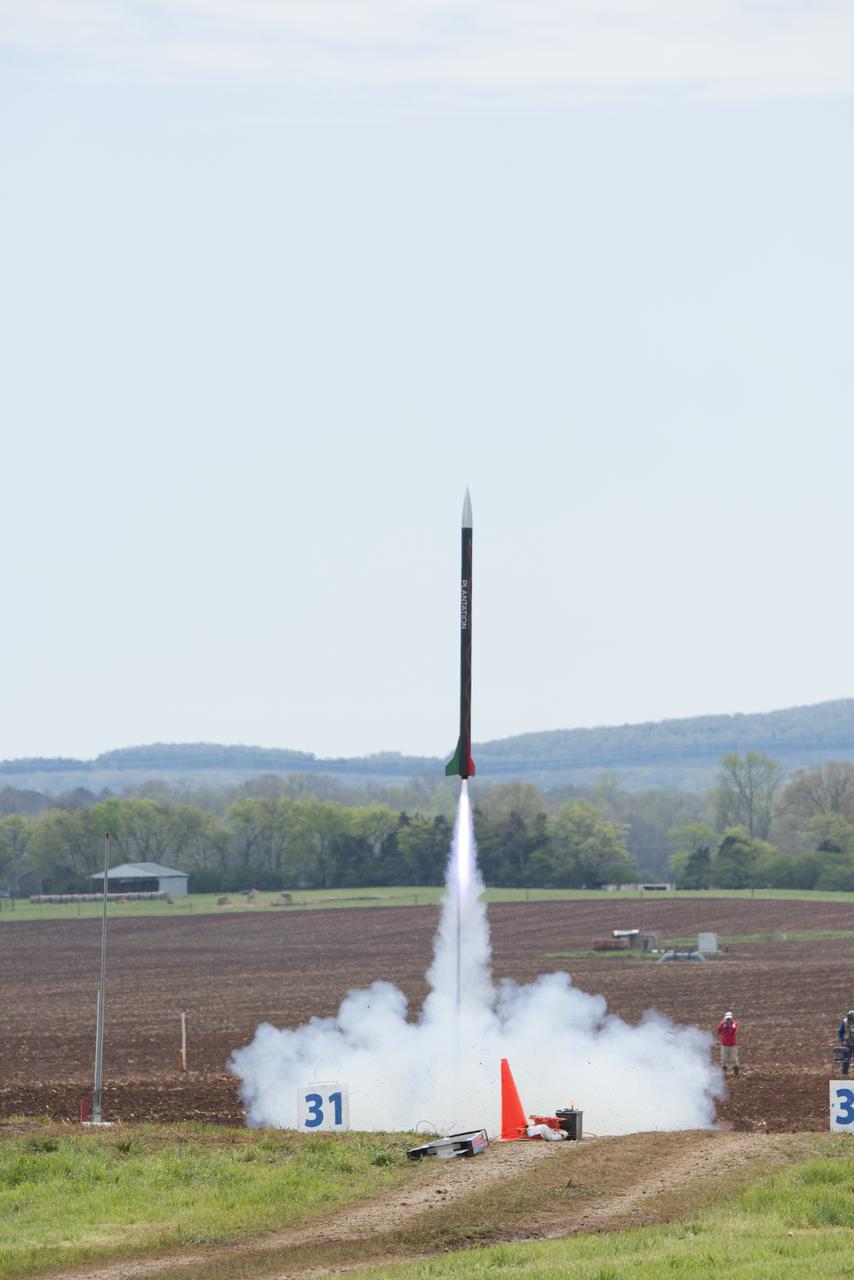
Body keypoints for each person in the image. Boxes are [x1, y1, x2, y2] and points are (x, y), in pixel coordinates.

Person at [717, 1011, 739, 1077]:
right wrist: (722, 1024)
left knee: (734, 1059)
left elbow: (733, 1031)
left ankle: (736, 1074)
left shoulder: (734, 1024)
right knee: (724, 1060)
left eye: (729, 1018)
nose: (728, 1020)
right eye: (727, 1019)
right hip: (724, 1045)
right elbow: (718, 1031)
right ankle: (723, 1074)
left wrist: (728, 1026)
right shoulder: (723, 1024)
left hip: (732, 1045)